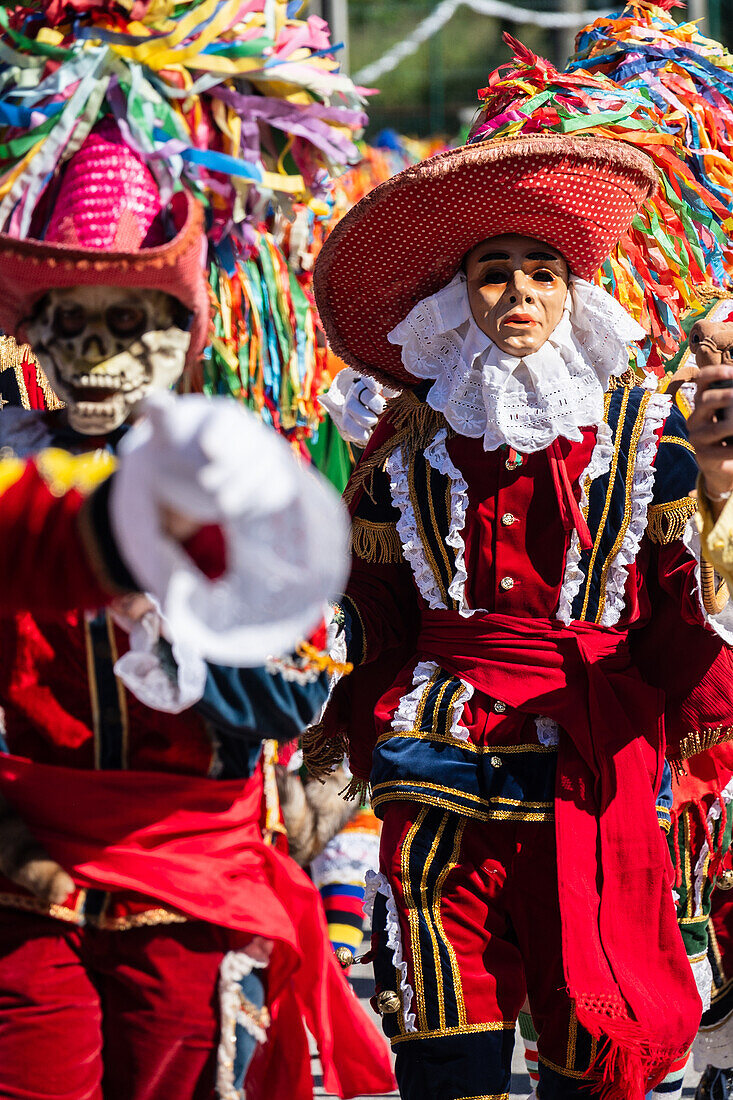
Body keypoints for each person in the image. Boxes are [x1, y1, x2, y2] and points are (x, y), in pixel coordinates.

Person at [308, 49, 733, 1100]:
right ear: (461, 296)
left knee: (589, 1059)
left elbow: (678, 627)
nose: (517, 291)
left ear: (571, 290)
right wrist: (333, 747)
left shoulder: (649, 448)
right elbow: (379, 626)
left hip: (591, 776)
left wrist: (704, 758)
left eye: (539, 270)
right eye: (493, 270)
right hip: (436, 767)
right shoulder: (404, 456)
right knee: (447, 1056)